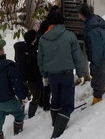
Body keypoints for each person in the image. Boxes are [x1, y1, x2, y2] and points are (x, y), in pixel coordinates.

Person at [38, 9, 85, 138]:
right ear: (63, 21)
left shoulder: (43, 39)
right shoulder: (70, 36)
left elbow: (40, 59)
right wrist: (80, 73)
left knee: (56, 100)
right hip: (66, 74)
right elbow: (78, 57)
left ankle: (55, 123)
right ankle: (57, 133)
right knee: (67, 105)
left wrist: (44, 74)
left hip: (52, 75)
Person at [78, 2, 105, 105]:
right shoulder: (94, 21)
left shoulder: (93, 31)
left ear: (83, 15)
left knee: (97, 73)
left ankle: (97, 98)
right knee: (103, 71)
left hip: (101, 56)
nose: (78, 15)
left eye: (79, 13)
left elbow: (96, 51)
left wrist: (94, 66)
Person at [14, 29, 42, 118]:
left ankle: (19, 114)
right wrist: (40, 80)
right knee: (36, 96)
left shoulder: (19, 48)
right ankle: (31, 115)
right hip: (31, 79)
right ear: (34, 39)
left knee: (22, 96)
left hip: (21, 77)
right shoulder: (32, 53)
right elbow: (35, 68)